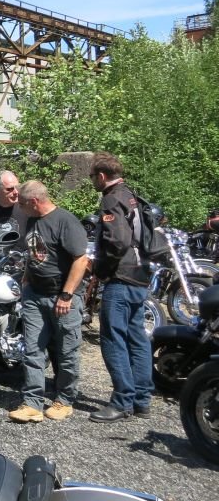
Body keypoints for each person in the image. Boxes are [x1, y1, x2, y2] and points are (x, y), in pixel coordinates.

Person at [7, 181, 88, 423]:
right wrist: (26, 278)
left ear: (34, 201)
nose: (19, 207)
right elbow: (34, 253)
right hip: (35, 295)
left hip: (62, 297)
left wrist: (67, 295)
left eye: (22, 203)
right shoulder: (32, 219)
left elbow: (81, 260)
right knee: (32, 349)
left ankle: (65, 400)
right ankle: (32, 403)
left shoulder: (65, 221)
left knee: (67, 351)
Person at [88, 151, 154, 422]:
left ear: (102, 176)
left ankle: (122, 400)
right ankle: (142, 400)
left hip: (121, 278)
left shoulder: (111, 199)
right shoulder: (131, 195)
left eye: (92, 176)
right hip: (140, 275)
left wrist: (100, 271)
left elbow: (118, 241)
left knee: (113, 339)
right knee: (137, 337)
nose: (92, 180)